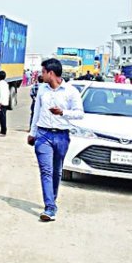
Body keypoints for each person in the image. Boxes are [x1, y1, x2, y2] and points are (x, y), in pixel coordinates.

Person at [27, 58, 84, 222]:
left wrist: (62, 113)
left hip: (61, 136)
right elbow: (36, 112)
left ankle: (52, 198)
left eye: (43, 72)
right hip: (43, 135)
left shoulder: (71, 91)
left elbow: (80, 113)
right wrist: (33, 132)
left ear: (51, 73)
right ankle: (49, 207)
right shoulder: (42, 90)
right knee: (46, 171)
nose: (41, 74)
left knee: (56, 171)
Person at [0, 71, 10, 136]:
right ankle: (2, 130)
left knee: (2, 118)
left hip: (1, 103)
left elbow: (1, 94)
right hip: (5, 102)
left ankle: (3, 131)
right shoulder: (6, 84)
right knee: (3, 117)